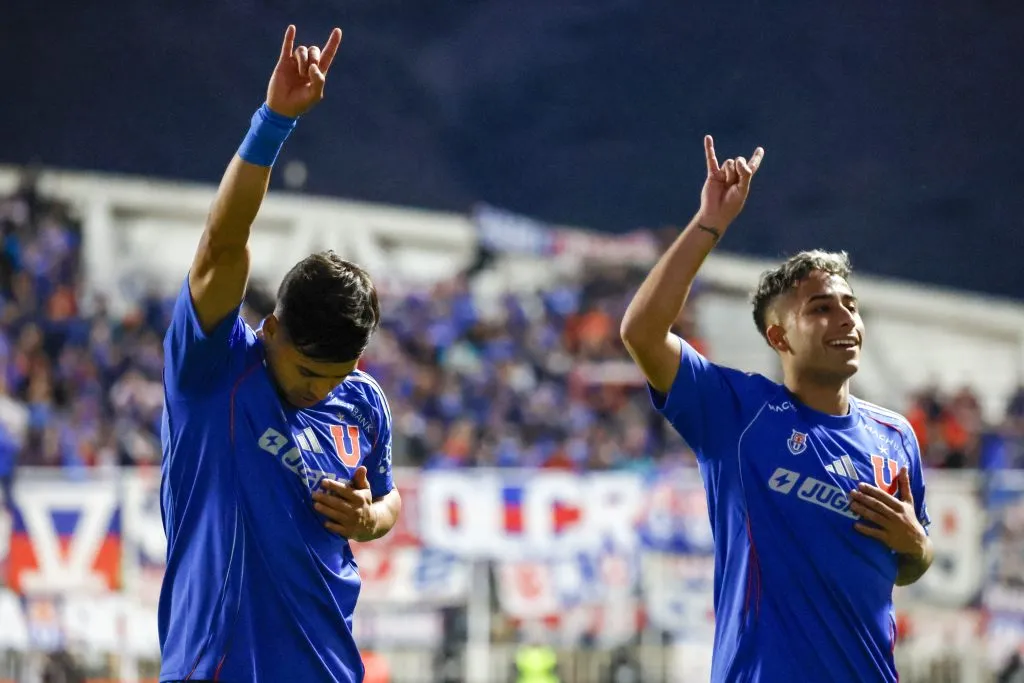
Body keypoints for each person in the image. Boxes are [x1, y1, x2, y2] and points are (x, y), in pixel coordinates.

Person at [620, 136, 932, 682]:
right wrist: (709, 223)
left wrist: (918, 546)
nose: (846, 320)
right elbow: (642, 333)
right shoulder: (737, 413)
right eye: (821, 308)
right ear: (778, 336)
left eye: (850, 306)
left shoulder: (895, 435)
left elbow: (907, 567)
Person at [158, 25, 402, 683]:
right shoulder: (212, 373)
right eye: (306, 371)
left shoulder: (362, 400)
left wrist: (371, 516)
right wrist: (273, 124)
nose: (321, 389)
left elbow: (388, 500)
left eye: (336, 375)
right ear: (271, 329)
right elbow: (221, 245)